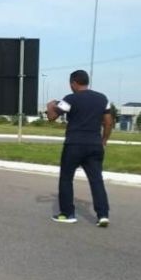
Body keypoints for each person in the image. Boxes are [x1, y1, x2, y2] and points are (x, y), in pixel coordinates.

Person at [46, 70, 113, 227]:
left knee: (66, 179)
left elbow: (51, 117)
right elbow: (109, 122)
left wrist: (50, 106)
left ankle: (67, 214)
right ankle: (103, 215)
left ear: (74, 83)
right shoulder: (102, 98)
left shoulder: (70, 99)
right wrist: (104, 140)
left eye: (70, 84)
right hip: (95, 144)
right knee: (96, 180)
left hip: (74, 145)